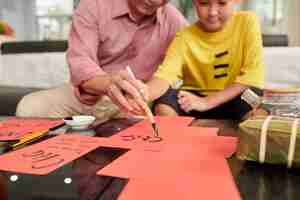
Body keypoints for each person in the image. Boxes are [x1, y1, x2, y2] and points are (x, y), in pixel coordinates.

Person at [16, 0, 187, 122]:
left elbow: (172, 71)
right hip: (91, 95)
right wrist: (110, 84)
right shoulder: (94, 5)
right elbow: (80, 62)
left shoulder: (174, 20)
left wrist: (145, 93)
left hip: (136, 102)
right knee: (29, 107)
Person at [121, 0, 266, 120]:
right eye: (204, 3)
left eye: (222, 3)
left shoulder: (247, 21)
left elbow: (251, 77)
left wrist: (206, 102)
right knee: (164, 102)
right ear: (194, 3)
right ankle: (172, 143)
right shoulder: (184, 37)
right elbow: (164, 77)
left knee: (254, 101)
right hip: (193, 100)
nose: (212, 12)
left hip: (233, 96)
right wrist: (143, 93)